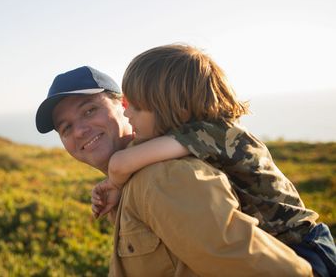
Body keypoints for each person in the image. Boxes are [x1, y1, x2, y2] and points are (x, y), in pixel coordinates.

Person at [36, 65, 313, 276]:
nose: (80, 131)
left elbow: (257, 265)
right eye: (66, 128)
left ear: (124, 106)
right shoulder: (130, 181)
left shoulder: (163, 176)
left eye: (88, 111)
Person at [91, 44, 336, 276]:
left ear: (178, 107)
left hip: (304, 249)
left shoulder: (212, 133)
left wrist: (114, 183)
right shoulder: (202, 132)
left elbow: (121, 163)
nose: (126, 112)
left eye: (136, 106)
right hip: (285, 245)